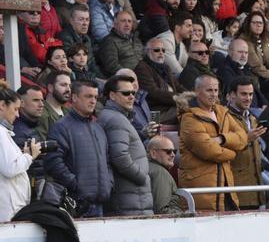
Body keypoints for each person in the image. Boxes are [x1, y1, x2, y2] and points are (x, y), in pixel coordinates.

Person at [178, 74, 247, 211]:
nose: (214, 94)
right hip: (202, 191)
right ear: (197, 91)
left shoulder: (223, 112)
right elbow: (209, 151)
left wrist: (222, 139)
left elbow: (242, 137)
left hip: (226, 188)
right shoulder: (189, 118)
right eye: (209, 90)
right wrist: (233, 153)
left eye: (216, 90)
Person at [44, 80, 112, 217]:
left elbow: (107, 162)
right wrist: (76, 185)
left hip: (99, 203)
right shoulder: (61, 127)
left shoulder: (98, 128)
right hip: (76, 204)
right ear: (74, 97)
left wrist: (109, 183)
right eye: (88, 96)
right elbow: (53, 161)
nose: (93, 101)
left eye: (95, 97)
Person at [97, 75, 153, 215]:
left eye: (133, 93)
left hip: (130, 194)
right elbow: (120, 157)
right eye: (126, 93)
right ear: (112, 95)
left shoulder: (116, 117)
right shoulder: (115, 119)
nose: (131, 97)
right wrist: (141, 176)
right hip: (129, 194)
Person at [0, 81, 42, 222]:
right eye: (16, 109)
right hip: (7, 209)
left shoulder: (3, 133)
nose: (18, 115)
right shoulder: (0, 133)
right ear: (2, 105)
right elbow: (10, 168)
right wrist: (29, 156)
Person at [226, 76, 266, 209]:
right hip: (236, 191)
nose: (248, 98)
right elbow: (222, 150)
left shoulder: (252, 118)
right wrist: (246, 139)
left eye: (250, 94)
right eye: (243, 94)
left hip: (255, 191)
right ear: (232, 95)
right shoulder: (223, 118)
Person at [146, 135, 184, 214]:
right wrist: (184, 215)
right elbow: (162, 211)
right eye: (168, 151)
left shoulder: (147, 167)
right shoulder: (160, 172)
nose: (173, 155)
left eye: (174, 151)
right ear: (153, 153)